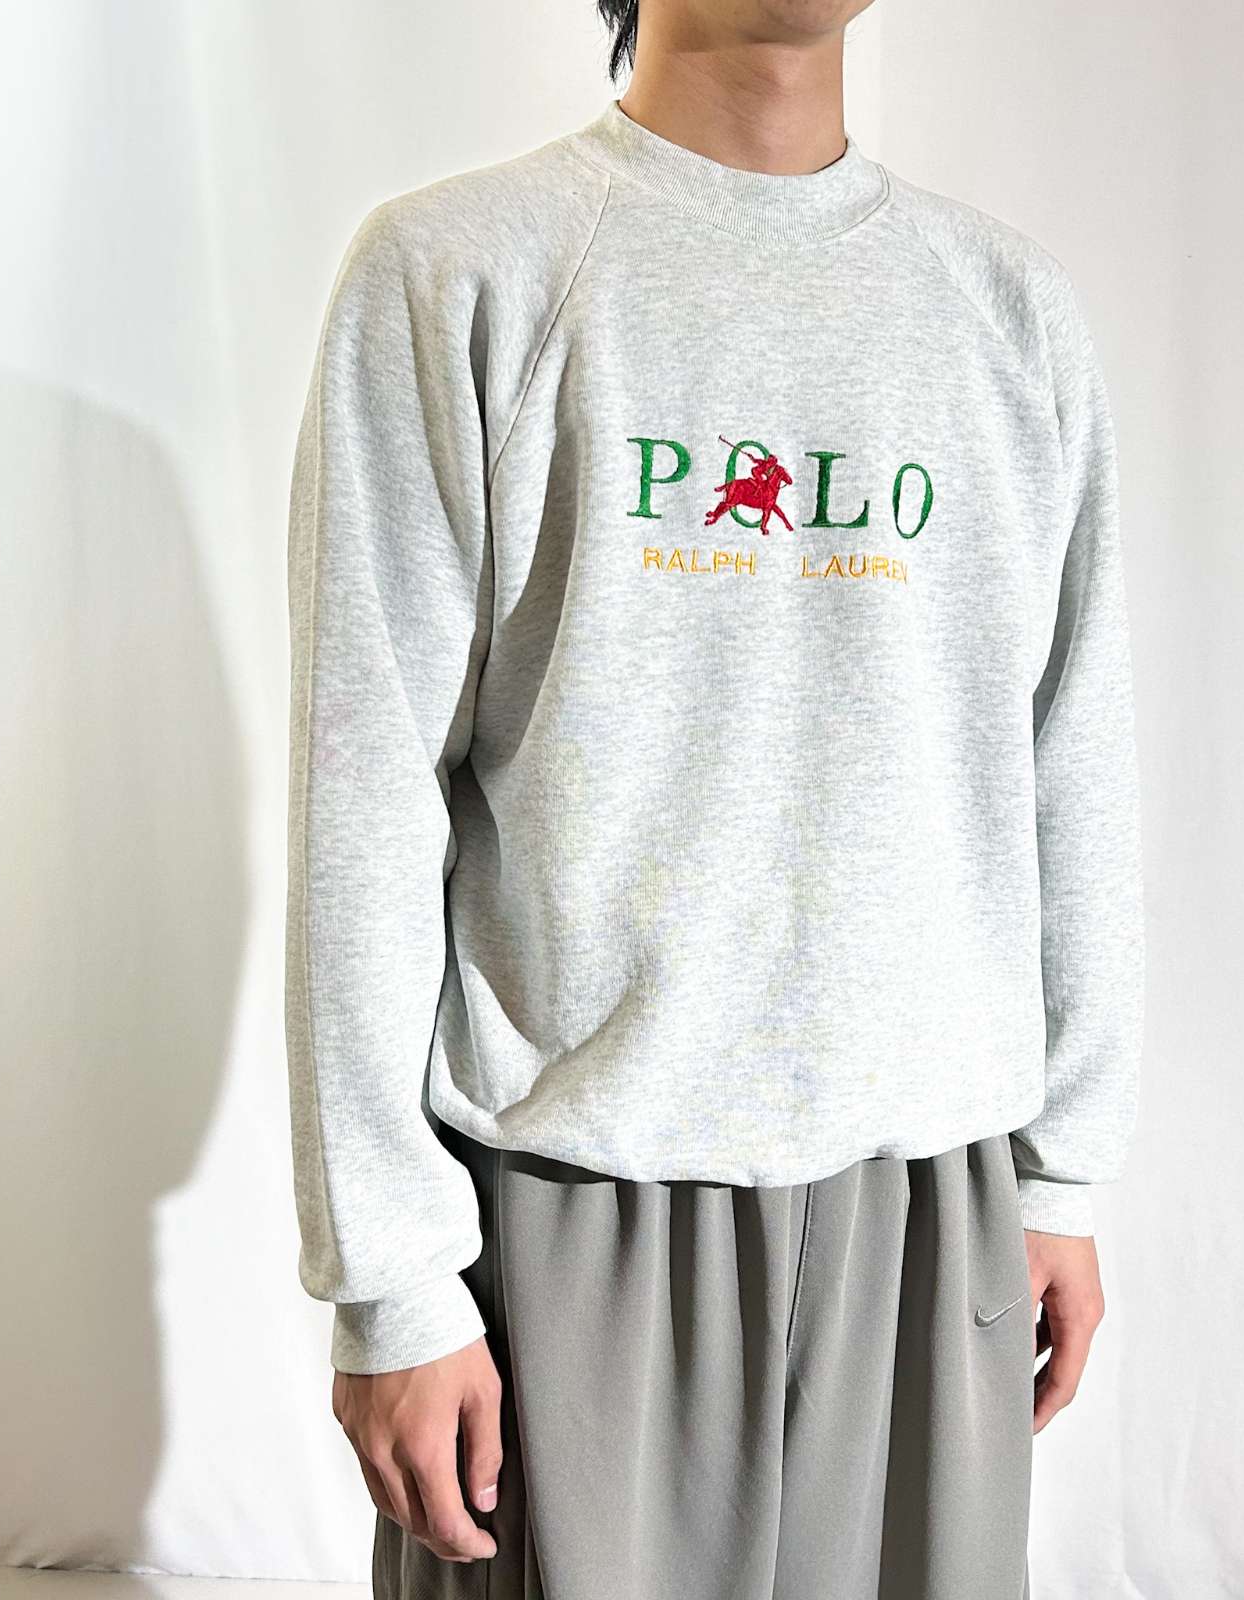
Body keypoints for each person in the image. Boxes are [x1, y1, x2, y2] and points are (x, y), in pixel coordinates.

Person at [283, 1, 1145, 1594]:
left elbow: (1068, 752)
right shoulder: (460, 273)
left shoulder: (1008, 312)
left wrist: (1061, 1170)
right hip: (575, 1213)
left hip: (930, 1209)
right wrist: (392, 1279)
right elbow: (368, 790)